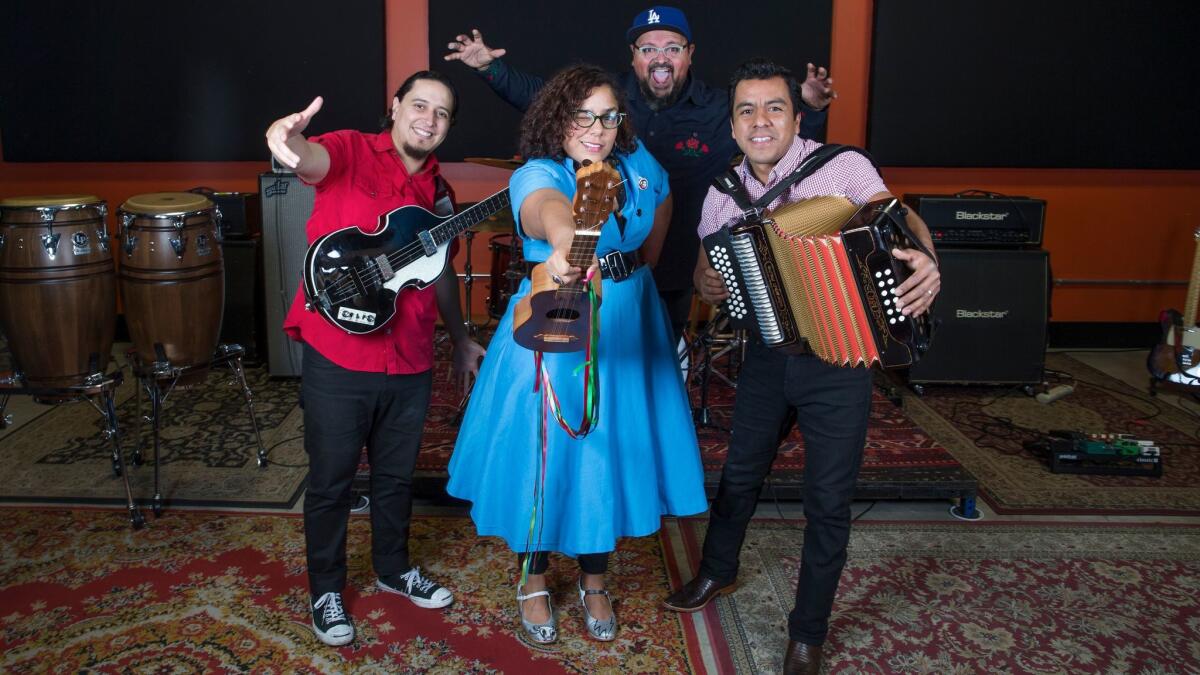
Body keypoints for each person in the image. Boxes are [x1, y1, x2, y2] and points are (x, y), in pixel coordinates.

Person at [661, 58, 940, 674]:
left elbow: (896, 214)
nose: (760, 122)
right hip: (768, 355)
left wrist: (926, 257)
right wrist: (709, 282)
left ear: (796, 115)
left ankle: (808, 631)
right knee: (738, 477)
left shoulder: (841, 167)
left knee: (828, 500)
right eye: (746, 110)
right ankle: (717, 572)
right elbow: (713, 279)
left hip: (840, 360)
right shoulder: (720, 195)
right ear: (731, 126)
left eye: (774, 107)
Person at [446, 64, 707, 645]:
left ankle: (594, 579)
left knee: (609, 456)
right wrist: (569, 245)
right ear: (557, 120)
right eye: (581, 115)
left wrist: (635, 276)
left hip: (630, 318)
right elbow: (545, 209)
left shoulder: (640, 164)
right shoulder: (540, 170)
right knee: (552, 453)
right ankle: (534, 578)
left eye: (607, 116)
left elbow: (660, 204)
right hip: (562, 318)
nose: (596, 128)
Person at [444, 6, 836, 340]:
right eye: (649, 49)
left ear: (689, 54)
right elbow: (542, 97)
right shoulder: (607, 98)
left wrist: (812, 111)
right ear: (634, 56)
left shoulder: (722, 108)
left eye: (672, 48)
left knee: (658, 361)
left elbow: (776, 141)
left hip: (680, 261)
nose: (660, 58)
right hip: (614, 263)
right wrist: (490, 68)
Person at [264, 70, 486, 647]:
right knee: (333, 481)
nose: (428, 119)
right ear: (394, 106)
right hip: (339, 355)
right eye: (419, 105)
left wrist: (460, 338)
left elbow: (437, 279)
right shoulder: (350, 149)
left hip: (410, 359)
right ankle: (327, 588)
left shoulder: (440, 197)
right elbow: (307, 159)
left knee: (395, 479)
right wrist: (284, 139)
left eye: (441, 113)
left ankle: (392, 568)